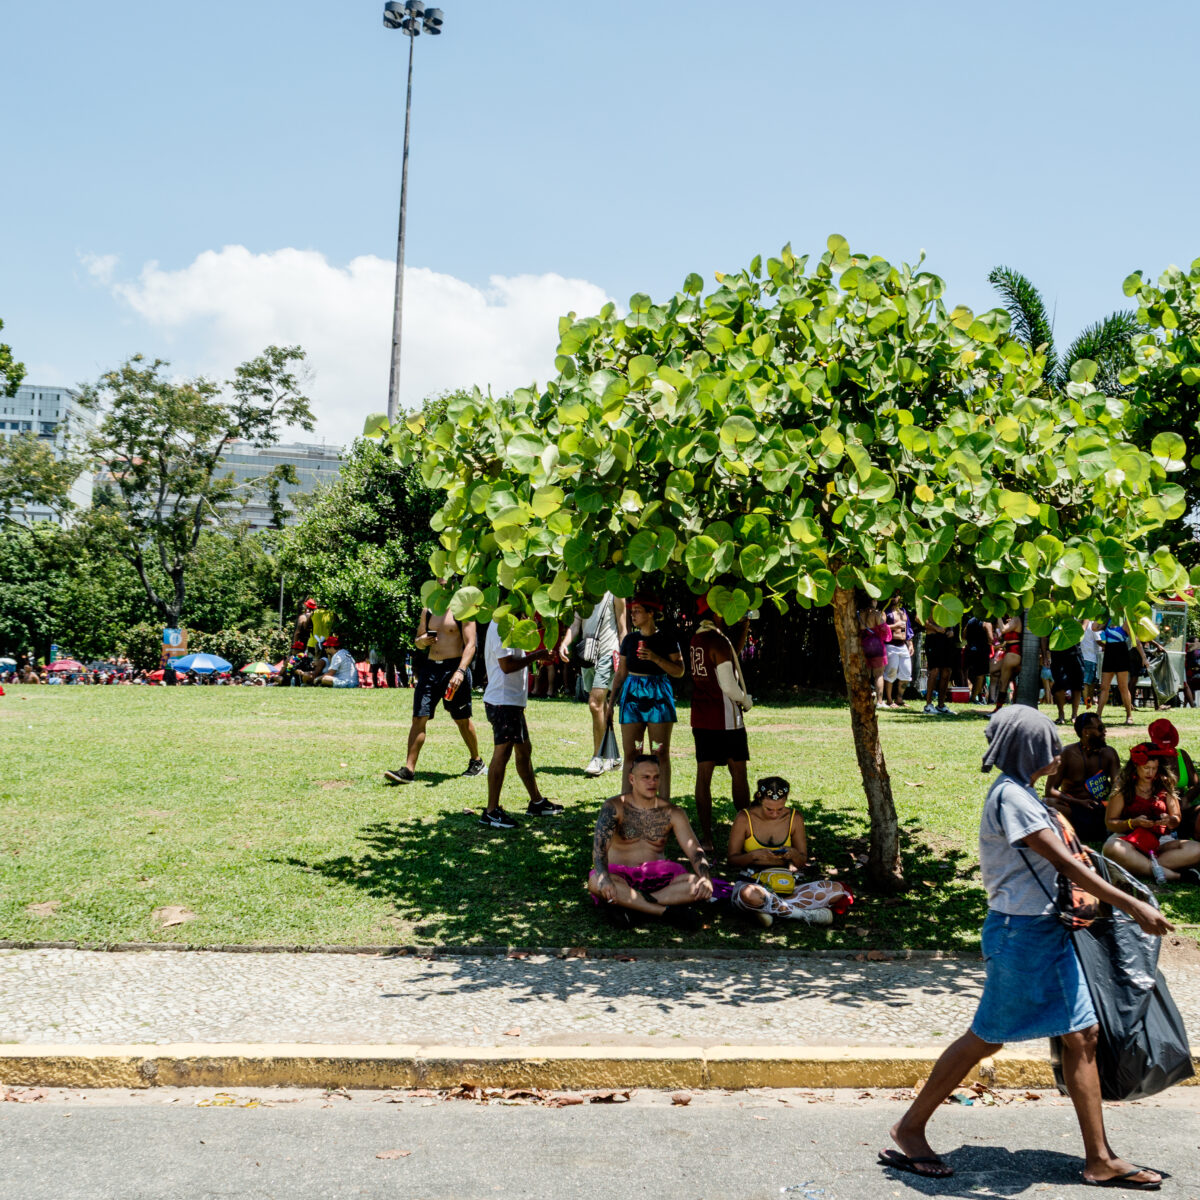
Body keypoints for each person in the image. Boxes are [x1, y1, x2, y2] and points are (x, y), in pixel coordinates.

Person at [880, 704, 1172, 1186]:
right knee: (987, 1036)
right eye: (1048, 741)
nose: (1058, 749)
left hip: (1046, 932)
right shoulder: (1011, 798)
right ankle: (910, 1128)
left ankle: (1099, 1159)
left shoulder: (1026, 795)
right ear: (1029, 748)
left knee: (1082, 1036)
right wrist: (1132, 904)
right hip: (1021, 935)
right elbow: (1067, 865)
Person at [588, 754, 716, 930]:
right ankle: (665, 912)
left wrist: (705, 878)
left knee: (695, 885)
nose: (652, 782)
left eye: (656, 777)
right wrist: (603, 876)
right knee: (596, 881)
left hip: (659, 880)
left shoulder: (673, 812)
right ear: (632, 779)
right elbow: (600, 848)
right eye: (646, 777)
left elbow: (695, 851)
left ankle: (634, 907)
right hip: (620, 877)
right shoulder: (614, 807)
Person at [725, 777, 852, 926]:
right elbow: (732, 860)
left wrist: (794, 854)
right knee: (748, 895)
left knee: (836, 890)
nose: (775, 814)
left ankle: (770, 909)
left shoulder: (794, 817)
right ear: (760, 799)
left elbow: (801, 862)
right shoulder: (744, 817)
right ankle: (804, 915)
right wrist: (753, 856)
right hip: (753, 883)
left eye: (780, 809)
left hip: (786, 886)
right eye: (769, 809)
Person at [384, 603, 483, 785]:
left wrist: (460, 671)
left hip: (454, 667)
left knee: (461, 718)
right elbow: (418, 641)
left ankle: (476, 761)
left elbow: (471, 645)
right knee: (419, 717)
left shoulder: (464, 608)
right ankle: (408, 770)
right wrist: (423, 641)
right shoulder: (428, 610)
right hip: (430, 669)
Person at [478, 618, 563, 829]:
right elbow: (506, 665)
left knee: (524, 751)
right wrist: (538, 654)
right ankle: (490, 812)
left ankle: (536, 802)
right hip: (502, 701)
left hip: (512, 702)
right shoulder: (501, 625)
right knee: (503, 753)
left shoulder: (513, 625)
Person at [606, 597, 685, 801]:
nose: (632, 615)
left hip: (658, 694)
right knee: (632, 754)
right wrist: (611, 702)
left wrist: (655, 658)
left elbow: (679, 671)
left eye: (637, 611)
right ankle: (628, 804)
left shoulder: (666, 639)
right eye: (632, 611)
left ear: (651, 613)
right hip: (632, 695)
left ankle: (664, 805)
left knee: (660, 752)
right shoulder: (630, 640)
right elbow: (621, 673)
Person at [689, 600, 752, 852]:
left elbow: (729, 657)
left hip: (701, 718)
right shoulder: (718, 641)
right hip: (726, 719)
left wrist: (744, 630)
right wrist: (745, 700)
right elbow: (728, 684)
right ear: (717, 613)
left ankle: (707, 838)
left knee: (703, 777)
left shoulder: (698, 639)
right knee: (738, 772)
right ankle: (748, 833)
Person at [1102, 742, 1200, 884]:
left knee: (1197, 849)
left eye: (1154, 768)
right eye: (1146, 768)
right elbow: (1110, 823)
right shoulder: (1124, 788)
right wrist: (1133, 823)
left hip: (1161, 841)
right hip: (1129, 841)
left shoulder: (1165, 785)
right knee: (1111, 848)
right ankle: (1174, 875)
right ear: (1136, 767)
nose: (1150, 773)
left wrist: (1169, 820)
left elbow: (1176, 818)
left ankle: (1138, 865)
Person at [1042, 713, 1119, 843]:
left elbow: (1118, 786)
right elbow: (1050, 790)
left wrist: (1108, 803)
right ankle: (1076, 831)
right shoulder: (1066, 754)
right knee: (1047, 803)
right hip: (1074, 808)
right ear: (1086, 732)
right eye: (1100, 728)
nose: (1105, 732)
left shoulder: (1109, 753)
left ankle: (1102, 828)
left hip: (1102, 809)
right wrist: (1079, 803)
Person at [577, 591, 626, 776]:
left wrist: (624, 657)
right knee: (603, 706)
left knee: (594, 704)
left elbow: (622, 628)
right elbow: (575, 624)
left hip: (608, 652)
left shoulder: (615, 593)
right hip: (588, 654)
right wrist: (565, 643)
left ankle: (597, 758)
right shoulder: (581, 591)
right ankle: (613, 757)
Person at [1150, 717, 1200, 840]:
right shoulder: (1150, 758)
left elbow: (1197, 784)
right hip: (1159, 811)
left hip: (1183, 808)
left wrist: (1187, 798)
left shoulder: (1182, 755)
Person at [1096, 615, 1146, 727]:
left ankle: (1129, 716)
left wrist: (1144, 657)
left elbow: (1136, 640)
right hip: (1109, 654)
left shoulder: (1125, 621)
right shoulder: (1107, 619)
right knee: (1104, 687)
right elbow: (1094, 628)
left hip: (1121, 654)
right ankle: (1098, 715)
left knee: (1123, 687)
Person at [1045, 634, 1084, 726]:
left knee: (1077, 685)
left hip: (1075, 651)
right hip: (1056, 652)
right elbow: (1044, 637)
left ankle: (1074, 715)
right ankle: (1061, 714)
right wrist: (1044, 654)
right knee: (1059, 684)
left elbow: (1082, 628)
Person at [882, 596, 913, 708]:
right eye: (893, 596)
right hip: (890, 645)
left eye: (897, 596)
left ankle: (899, 699)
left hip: (902, 645)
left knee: (906, 673)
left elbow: (907, 629)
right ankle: (890, 700)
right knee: (891, 672)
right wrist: (895, 626)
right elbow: (881, 627)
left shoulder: (903, 612)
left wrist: (910, 643)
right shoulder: (886, 612)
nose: (895, 598)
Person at [922, 613, 955, 715]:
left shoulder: (946, 599)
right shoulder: (927, 599)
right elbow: (919, 619)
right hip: (932, 637)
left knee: (947, 671)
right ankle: (928, 705)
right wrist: (936, 628)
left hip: (945, 639)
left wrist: (951, 630)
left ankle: (941, 705)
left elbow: (950, 618)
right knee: (934, 670)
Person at [858, 595, 888, 706]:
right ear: (873, 601)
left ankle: (864, 699)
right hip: (876, 643)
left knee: (866, 674)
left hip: (864, 643)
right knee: (879, 674)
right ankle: (880, 701)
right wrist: (883, 618)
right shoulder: (876, 613)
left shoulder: (860, 613)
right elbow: (883, 628)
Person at [991, 613, 1022, 711]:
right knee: (993, 669)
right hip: (1009, 651)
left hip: (1013, 652)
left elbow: (1003, 629)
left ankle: (998, 708)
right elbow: (1002, 635)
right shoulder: (1012, 620)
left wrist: (998, 615)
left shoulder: (1016, 618)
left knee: (1003, 682)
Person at [963, 612, 993, 705]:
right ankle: (973, 698)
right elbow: (990, 639)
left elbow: (964, 636)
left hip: (969, 650)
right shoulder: (987, 622)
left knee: (970, 674)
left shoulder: (970, 621)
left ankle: (968, 695)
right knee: (980, 676)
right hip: (981, 652)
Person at [1080, 617, 1100, 708]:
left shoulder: (1078, 623)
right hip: (1091, 657)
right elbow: (1098, 640)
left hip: (1082, 656)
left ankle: (1088, 702)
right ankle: (1088, 703)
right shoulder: (1093, 624)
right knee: (1088, 683)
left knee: (1087, 682)